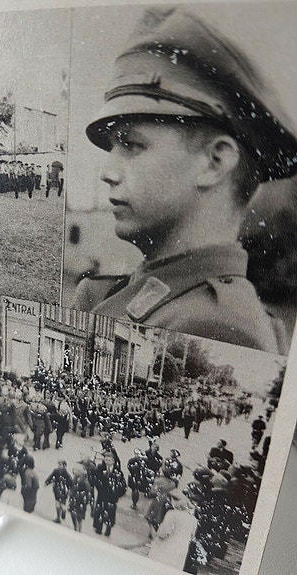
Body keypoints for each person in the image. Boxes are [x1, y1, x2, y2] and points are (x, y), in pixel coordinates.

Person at [73, 6, 297, 354]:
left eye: (132, 144)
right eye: (113, 145)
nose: (107, 173)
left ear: (214, 163)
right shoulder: (157, 296)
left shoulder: (215, 327)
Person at [93, 451, 126, 536]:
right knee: (99, 510)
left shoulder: (118, 472)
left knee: (110, 512)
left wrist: (117, 494)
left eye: (109, 460)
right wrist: (99, 485)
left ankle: (108, 528)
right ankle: (98, 528)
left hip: (112, 497)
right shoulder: (100, 468)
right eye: (105, 460)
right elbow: (95, 478)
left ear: (113, 461)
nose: (107, 462)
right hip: (102, 494)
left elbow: (123, 486)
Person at [45, 459, 73, 524]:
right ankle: (60, 514)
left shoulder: (66, 474)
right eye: (58, 464)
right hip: (58, 490)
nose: (58, 466)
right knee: (59, 503)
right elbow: (51, 477)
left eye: (60, 465)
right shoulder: (57, 471)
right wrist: (47, 482)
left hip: (63, 490)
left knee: (60, 503)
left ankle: (61, 514)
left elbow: (70, 483)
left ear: (64, 466)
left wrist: (70, 490)